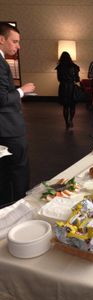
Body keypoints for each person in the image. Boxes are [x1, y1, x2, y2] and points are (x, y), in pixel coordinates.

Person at [0, 22, 35, 206]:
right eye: (15, 41)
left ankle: (7, 207)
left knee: (5, 173)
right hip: (9, 129)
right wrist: (22, 91)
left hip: (4, 128)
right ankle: (21, 208)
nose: (18, 46)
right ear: (1, 39)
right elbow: (2, 99)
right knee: (19, 171)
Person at [56, 51, 80, 129]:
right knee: (72, 106)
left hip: (63, 88)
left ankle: (66, 123)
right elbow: (77, 79)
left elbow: (59, 79)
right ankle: (71, 120)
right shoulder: (74, 67)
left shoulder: (59, 67)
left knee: (65, 107)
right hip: (72, 88)